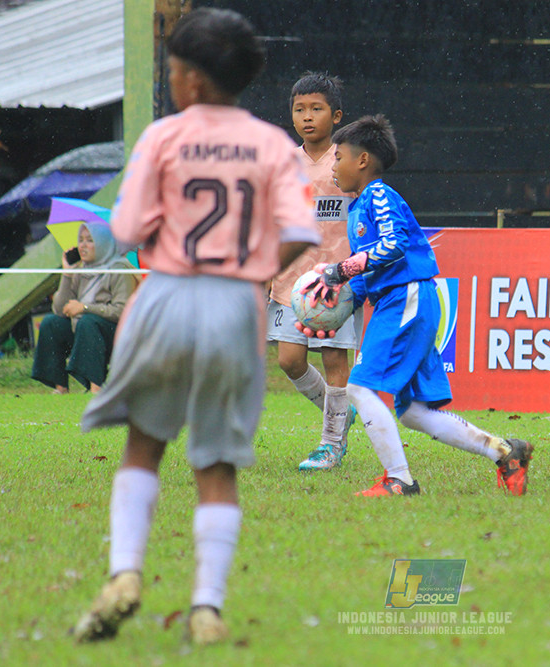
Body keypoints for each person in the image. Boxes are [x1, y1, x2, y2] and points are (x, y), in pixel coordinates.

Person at [71, 8, 320, 645]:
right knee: (216, 465)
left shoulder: (163, 137)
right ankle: (206, 607)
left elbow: (124, 232)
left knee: (144, 445)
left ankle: (125, 573)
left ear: (191, 82)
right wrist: (252, 268)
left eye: (175, 68)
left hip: (169, 295)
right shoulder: (271, 145)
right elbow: (299, 232)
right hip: (236, 306)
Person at [300, 115, 534, 497]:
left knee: (359, 388)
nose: (333, 166)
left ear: (362, 161)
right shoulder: (359, 207)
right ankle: (506, 452)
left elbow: (392, 247)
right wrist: (332, 308)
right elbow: (366, 273)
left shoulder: (378, 194)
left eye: (338, 157)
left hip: (405, 298)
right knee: (413, 413)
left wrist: (341, 269)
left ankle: (400, 480)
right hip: (402, 299)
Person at [268, 72, 359, 471]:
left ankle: (331, 444)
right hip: (292, 282)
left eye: (316, 109)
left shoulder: (350, 160)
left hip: (336, 282)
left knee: (337, 363)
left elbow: (366, 213)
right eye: (299, 109)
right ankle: (339, 413)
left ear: (336, 115)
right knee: (290, 360)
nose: (307, 117)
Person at [31, 222, 136, 394]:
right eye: (80, 240)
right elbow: (59, 309)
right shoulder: (82, 270)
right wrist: (67, 274)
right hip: (83, 330)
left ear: (102, 243)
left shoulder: (119, 269)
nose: (83, 246)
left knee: (88, 322)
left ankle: (96, 387)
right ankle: (61, 387)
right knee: (51, 322)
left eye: (89, 240)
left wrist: (85, 308)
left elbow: (121, 311)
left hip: (112, 334)